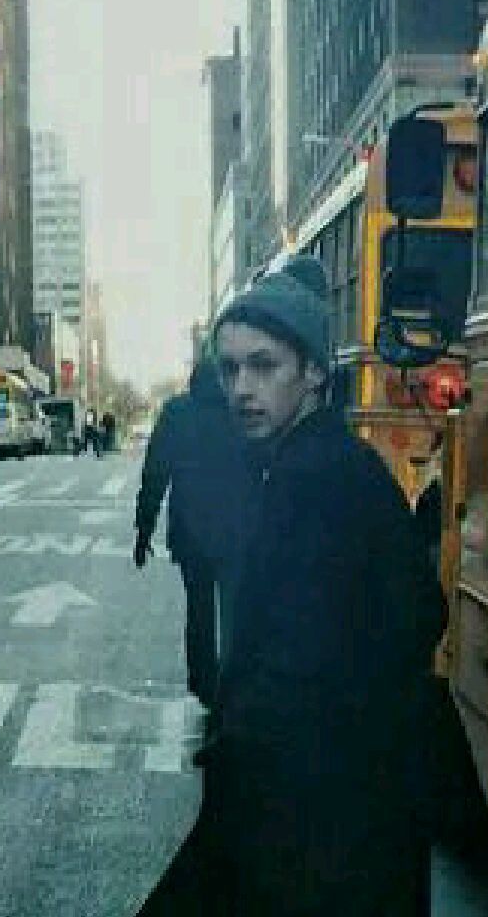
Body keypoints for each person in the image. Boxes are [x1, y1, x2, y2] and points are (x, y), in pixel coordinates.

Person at [139, 255, 446, 916]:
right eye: (230, 369)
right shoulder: (320, 464)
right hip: (333, 808)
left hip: (312, 816)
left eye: (264, 366)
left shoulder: (316, 480)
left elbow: (344, 639)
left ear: (313, 372)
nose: (242, 389)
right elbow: (422, 611)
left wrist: (266, 735)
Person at [133, 360, 245, 709]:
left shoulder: (177, 413)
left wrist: (144, 529)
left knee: (198, 608)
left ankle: (203, 680)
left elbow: (155, 473)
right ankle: (235, 677)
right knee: (235, 606)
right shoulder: (238, 410)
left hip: (190, 529)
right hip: (235, 527)